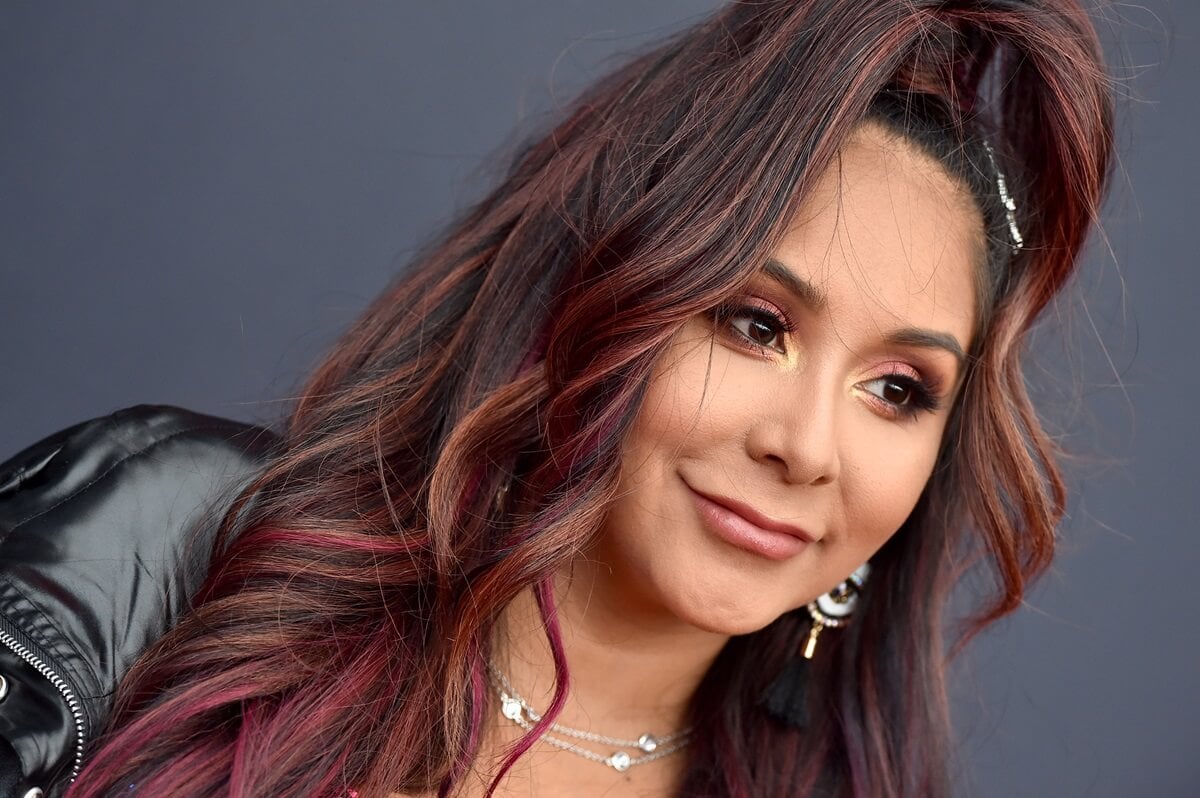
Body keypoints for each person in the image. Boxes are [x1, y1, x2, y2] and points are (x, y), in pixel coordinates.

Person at [0, 0, 1114, 796]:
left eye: (896, 389)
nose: (808, 446)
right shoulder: (171, 543)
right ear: (599, 290)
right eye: (755, 323)